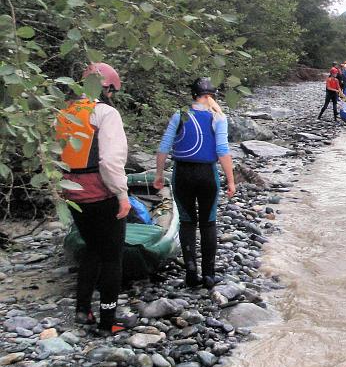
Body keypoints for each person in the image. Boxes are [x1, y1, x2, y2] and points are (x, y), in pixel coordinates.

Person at [55, 62, 134, 334]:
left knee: (91, 248)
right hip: (100, 192)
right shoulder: (105, 113)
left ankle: (82, 310)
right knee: (112, 257)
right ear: (107, 87)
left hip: (71, 192)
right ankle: (108, 322)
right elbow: (110, 161)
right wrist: (122, 195)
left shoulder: (64, 112)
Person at [154, 78, 236, 290]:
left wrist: (159, 175)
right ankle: (208, 275)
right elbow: (222, 151)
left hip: (182, 173)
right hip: (207, 174)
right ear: (211, 96)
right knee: (208, 222)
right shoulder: (218, 117)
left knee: (188, 221)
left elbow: (164, 147)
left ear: (193, 95)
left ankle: (191, 273)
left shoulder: (179, 115)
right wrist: (231, 180)